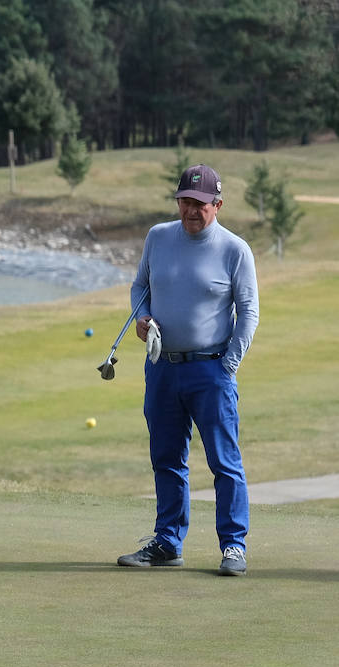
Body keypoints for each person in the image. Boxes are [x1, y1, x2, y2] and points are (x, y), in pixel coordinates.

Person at [117, 164, 259, 576]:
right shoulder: (158, 237)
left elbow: (248, 312)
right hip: (162, 368)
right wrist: (141, 318)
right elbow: (140, 287)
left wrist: (228, 365)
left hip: (211, 370)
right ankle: (167, 542)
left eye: (200, 203)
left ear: (217, 205)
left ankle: (233, 546)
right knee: (166, 457)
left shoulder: (235, 250)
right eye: (185, 201)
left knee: (224, 462)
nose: (191, 210)